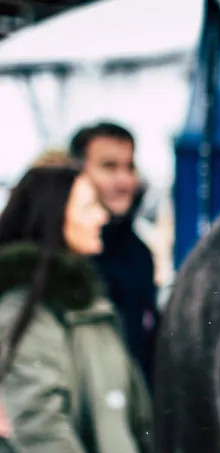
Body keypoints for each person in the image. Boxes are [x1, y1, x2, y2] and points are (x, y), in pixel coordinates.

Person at [0, 165, 158, 453]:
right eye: (87, 205)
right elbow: (35, 417)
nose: (102, 216)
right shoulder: (28, 310)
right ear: (53, 217)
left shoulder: (81, 302)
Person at [69, 122, 157, 381]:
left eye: (129, 167)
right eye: (109, 166)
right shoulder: (63, 253)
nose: (124, 180)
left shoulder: (139, 251)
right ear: (79, 172)